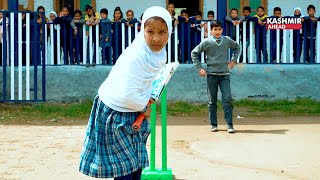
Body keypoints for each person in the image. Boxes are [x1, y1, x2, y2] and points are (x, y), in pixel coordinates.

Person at [79, 6, 172, 179]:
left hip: (133, 110)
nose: (156, 38)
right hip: (115, 112)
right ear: (142, 30)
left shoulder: (158, 54)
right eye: (150, 31)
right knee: (124, 169)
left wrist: (146, 99)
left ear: (170, 32)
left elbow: (145, 82)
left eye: (162, 32)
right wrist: (144, 108)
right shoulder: (137, 55)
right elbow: (126, 93)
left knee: (135, 165)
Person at [191, 20, 240, 133]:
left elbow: (237, 47)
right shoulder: (207, 42)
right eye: (215, 29)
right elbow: (194, 53)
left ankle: (229, 124)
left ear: (222, 29)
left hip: (224, 74)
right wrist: (199, 68)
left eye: (219, 29)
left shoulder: (227, 40)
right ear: (211, 30)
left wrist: (233, 60)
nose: (217, 32)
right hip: (211, 75)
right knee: (212, 101)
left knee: (227, 98)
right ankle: (214, 124)